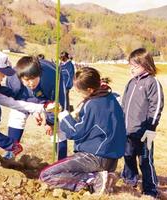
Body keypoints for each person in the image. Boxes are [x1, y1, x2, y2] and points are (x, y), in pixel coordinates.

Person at [40, 67, 126, 195]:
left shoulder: (93, 104)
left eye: (79, 91)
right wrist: (77, 115)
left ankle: (95, 180)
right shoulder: (110, 97)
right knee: (67, 170)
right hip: (111, 158)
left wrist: (62, 115)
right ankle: (104, 176)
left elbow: (74, 132)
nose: (78, 94)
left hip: (95, 156)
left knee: (46, 175)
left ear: (90, 90)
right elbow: (97, 123)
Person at [4, 56, 68, 160]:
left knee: (57, 127)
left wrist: (50, 122)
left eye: (34, 78)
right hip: (26, 98)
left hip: (49, 95)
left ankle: (62, 161)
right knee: (17, 114)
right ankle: (10, 154)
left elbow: (58, 104)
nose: (31, 83)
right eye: (27, 80)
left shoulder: (52, 78)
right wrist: (34, 111)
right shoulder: (12, 79)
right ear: (20, 77)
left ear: (39, 75)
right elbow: (16, 101)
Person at [121, 48, 164, 198]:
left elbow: (156, 106)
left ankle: (150, 189)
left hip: (145, 131)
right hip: (128, 130)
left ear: (146, 65)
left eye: (136, 65)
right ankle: (130, 180)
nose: (132, 68)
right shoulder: (131, 83)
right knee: (128, 155)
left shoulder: (152, 83)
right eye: (130, 65)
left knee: (145, 160)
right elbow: (124, 104)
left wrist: (150, 128)